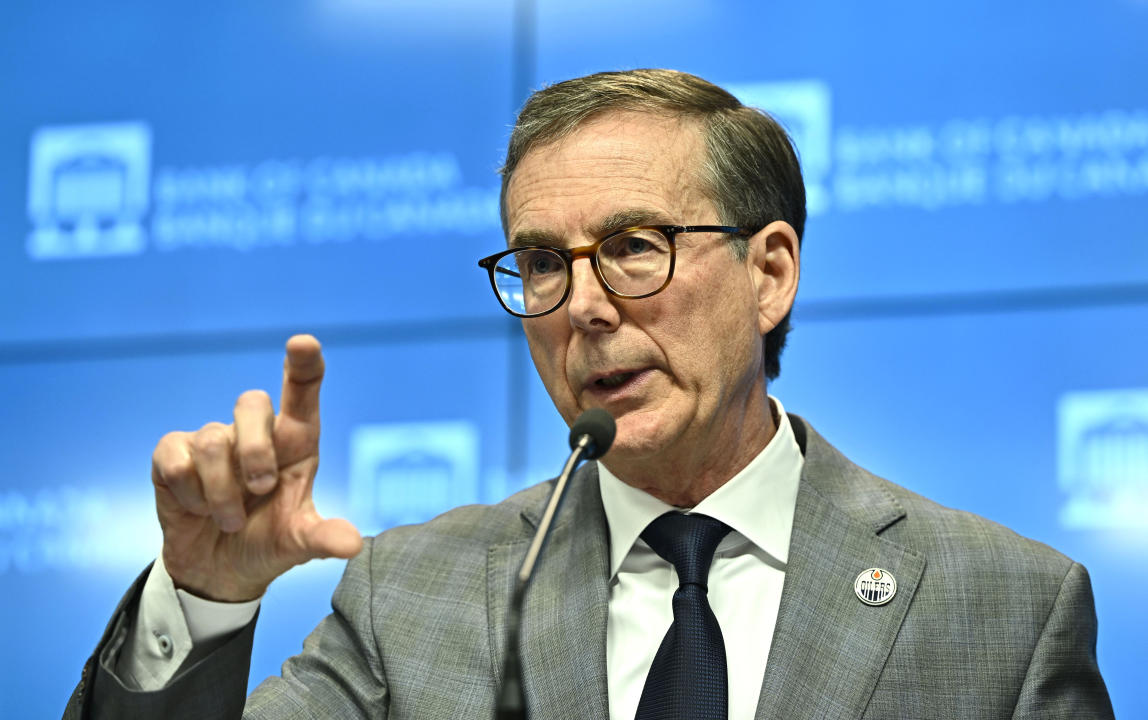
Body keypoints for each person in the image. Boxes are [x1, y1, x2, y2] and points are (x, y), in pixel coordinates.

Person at [64, 69, 1113, 719]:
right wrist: (203, 599)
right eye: (540, 264)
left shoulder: (1002, 606)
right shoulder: (417, 596)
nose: (584, 307)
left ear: (769, 272)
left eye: (633, 247)